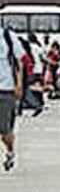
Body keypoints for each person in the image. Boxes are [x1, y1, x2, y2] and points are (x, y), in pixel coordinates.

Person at [0, 28, 26, 171]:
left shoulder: (8, 36)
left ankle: (10, 150)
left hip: (6, 88)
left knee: (4, 129)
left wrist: (19, 84)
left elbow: (19, 62)